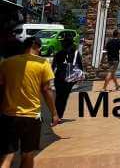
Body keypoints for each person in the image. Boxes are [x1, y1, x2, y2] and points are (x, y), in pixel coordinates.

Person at [0, 36, 60, 168]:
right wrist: (54, 113)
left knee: (8, 154)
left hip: (8, 115)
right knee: (28, 154)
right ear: (37, 47)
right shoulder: (42, 63)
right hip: (31, 116)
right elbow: (46, 90)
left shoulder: (7, 63)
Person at [51, 35, 83, 119]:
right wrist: (80, 78)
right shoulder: (76, 53)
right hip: (70, 79)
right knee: (64, 98)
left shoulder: (58, 53)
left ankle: (55, 115)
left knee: (58, 97)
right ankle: (59, 116)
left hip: (58, 78)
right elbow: (80, 66)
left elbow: (53, 67)